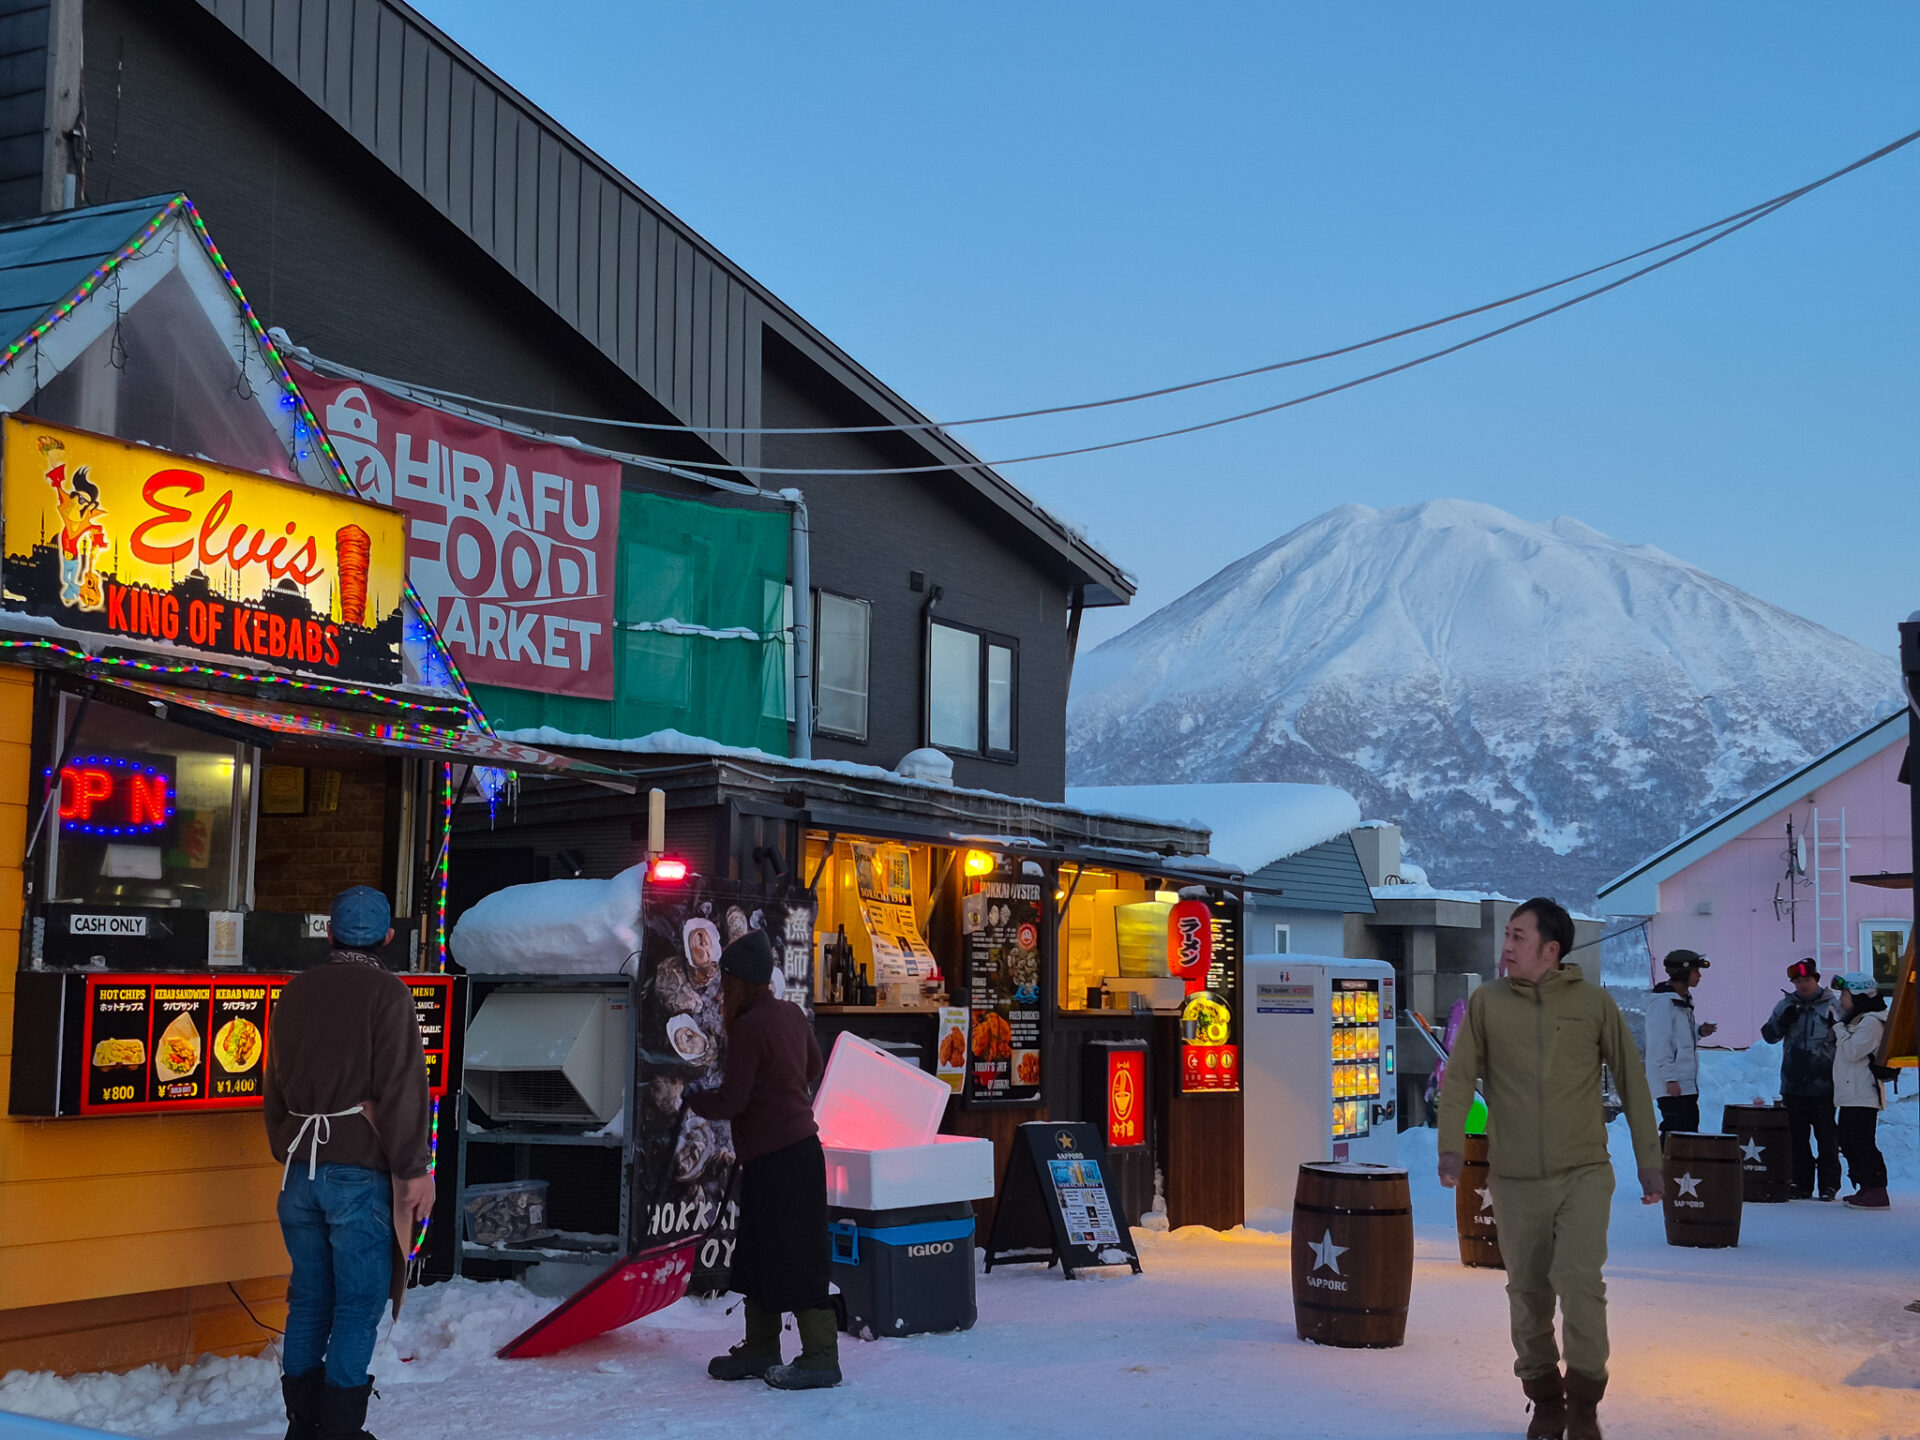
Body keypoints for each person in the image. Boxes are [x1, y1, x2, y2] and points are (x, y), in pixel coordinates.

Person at [1438, 898, 1662, 1440]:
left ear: (1551, 949)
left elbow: (1632, 1081)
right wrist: (1450, 1148)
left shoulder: (1593, 1003)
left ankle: (1583, 1405)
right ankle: (1545, 1399)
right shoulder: (1488, 1003)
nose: (1507, 946)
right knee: (1528, 1294)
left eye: (1518, 936)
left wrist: (1650, 1161)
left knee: (1580, 1281)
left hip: (1583, 1170)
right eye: (1506, 935)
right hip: (1514, 1178)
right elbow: (1460, 1076)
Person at [263, 887, 435, 1440]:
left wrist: (285, 1144)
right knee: (358, 1306)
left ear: (329, 932)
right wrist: (414, 1169)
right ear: (388, 937)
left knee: (310, 1302)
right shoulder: (389, 993)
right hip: (357, 1176)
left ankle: (303, 1426)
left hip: (299, 1174)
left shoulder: (294, 991)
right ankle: (340, 1432)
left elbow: (273, 1082)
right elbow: (403, 1087)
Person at [688, 928, 838, 1390]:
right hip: (795, 1154)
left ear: (738, 981)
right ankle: (760, 1347)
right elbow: (812, 1068)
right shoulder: (790, 1013)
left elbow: (732, 1100)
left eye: (725, 981)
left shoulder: (749, 1026)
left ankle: (820, 1358)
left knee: (795, 1256)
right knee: (759, 1252)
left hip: (779, 1161)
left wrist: (695, 1100)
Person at [1760, 959, 1841, 1200]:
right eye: (1797, 981)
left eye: (1807, 980)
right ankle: (1801, 1183)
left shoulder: (1833, 1005)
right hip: (1793, 1084)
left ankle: (1829, 1185)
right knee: (1797, 1138)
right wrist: (1782, 1022)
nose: (1803, 985)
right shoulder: (1785, 1005)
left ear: (1816, 979)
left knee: (1827, 1138)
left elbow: (1847, 1036)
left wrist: (1836, 1025)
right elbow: (1769, 1036)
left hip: (1824, 1084)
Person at [1830, 972, 1891, 1210]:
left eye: (1845, 994)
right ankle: (1865, 1186)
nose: (1841, 999)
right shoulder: (1858, 1020)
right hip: (1851, 1093)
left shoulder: (1871, 1022)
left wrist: (1838, 1027)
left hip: (1863, 1093)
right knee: (1848, 1141)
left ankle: (1877, 1190)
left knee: (1863, 1142)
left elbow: (1852, 1052)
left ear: (1858, 996)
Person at [1643, 950, 1716, 1142]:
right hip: (1672, 1084)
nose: (1699, 976)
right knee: (1676, 1135)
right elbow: (1659, 1044)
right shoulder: (1663, 1003)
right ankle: (1664, 1163)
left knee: (1688, 1134)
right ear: (1683, 973)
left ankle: (1678, 1164)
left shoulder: (1682, 1000)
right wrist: (1670, 1079)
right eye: (1696, 971)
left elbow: (1680, 1038)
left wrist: (1700, 1031)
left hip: (1686, 1083)